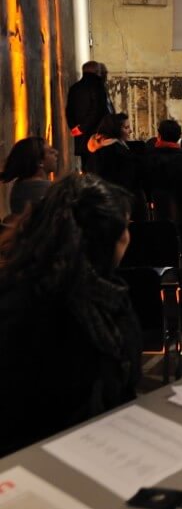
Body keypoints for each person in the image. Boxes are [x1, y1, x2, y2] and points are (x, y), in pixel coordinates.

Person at [0, 173, 141, 456]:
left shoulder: (96, 291)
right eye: (124, 227)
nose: (129, 235)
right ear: (105, 240)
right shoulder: (40, 310)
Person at [144, 118, 182, 221]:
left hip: (155, 207)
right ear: (178, 136)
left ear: (159, 135)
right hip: (181, 208)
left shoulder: (149, 156)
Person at [65, 60, 112, 168]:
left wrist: (74, 128)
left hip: (80, 136)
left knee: (85, 165)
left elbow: (69, 110)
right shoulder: (98, 87)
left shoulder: (74, 88)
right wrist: (83, 128)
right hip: (97, 135)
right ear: (97, 71)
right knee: (98, 167)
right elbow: (97, 111)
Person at [0, 136, 58, 217]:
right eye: (50, 152)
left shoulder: (20, 187)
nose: (56, 153)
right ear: (40, 162)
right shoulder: (48, 191)